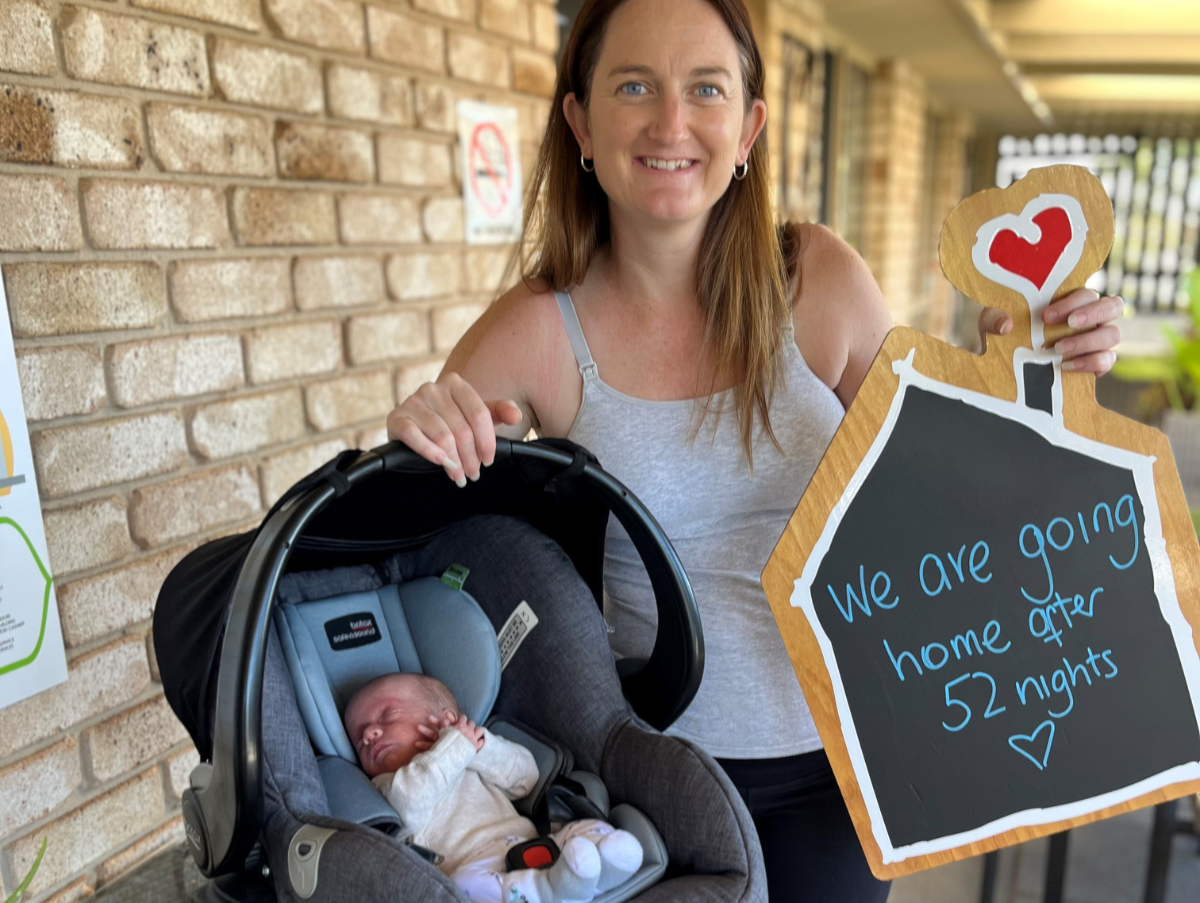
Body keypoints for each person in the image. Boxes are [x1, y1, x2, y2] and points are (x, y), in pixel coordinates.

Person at [385, 0, 1125, 897]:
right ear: (580, 121)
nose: (671, 122)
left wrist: (1030, 375)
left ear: (748, 128)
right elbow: (426, 546)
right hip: (652, 786)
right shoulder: (539, 331)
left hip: (845, 752)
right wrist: (428, 431)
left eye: (706, 87)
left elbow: (937, 482)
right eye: (633, 86)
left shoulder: (815, 280)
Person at [343, 672, 644, 903]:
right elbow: (409, 803)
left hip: (529, 843)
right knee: (468, 887)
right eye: (359, 740)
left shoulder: (473, 752)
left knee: (578, 835)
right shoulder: (387, 786)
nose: (369, 733)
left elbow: (525, 779)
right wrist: (450, 752)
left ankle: (604, 862)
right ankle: (555, 888)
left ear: (445, 720)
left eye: (388, 716)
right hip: (475, 872)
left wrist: (477, 747)